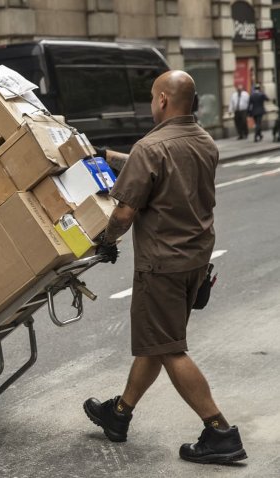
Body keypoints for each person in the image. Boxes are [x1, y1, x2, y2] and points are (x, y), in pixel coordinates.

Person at [88, 70, 247, 465]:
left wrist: (106, 242)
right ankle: (119, 414)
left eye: (151, 98)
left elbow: (124, 212)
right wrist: (110, 157)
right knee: (157, 341)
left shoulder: (150, 147)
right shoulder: (205, 142)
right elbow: (166, 169)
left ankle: (220, 433)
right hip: (194, 260)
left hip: (161, 264)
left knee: (170, 347)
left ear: (162, 98)